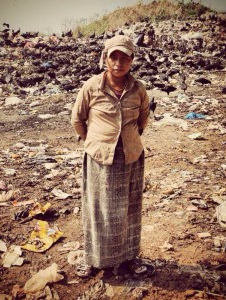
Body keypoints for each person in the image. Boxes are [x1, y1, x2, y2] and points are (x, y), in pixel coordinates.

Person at [71, 35, 152, 278]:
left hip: (130, 156)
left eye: (125, 57)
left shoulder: (139, 89)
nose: (119, 62)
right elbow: (78, 119)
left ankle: (130, 258)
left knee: (128, 208)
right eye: (113, 57)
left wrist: (129, 139)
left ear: (132, 60)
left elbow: (143, 120)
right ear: (105, 58)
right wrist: (92, 142)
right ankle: (92, 259)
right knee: (97, 209)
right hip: (99, 157)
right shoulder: (91, 86)